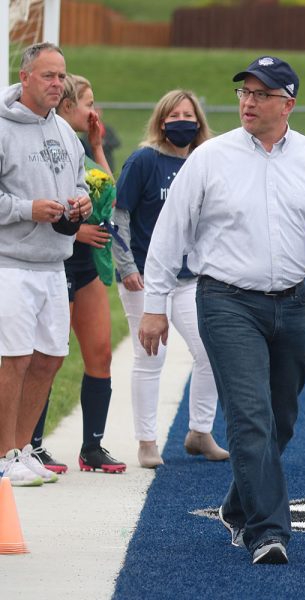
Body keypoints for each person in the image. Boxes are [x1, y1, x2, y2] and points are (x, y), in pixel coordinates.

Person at [138, 55, 305, 565]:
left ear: (288, 104)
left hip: (292, 303)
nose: (248, 101)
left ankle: (237, 505)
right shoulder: (210, 157)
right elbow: (169, 231)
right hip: (225, 300)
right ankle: (268, 531)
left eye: (261, 94)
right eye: (244, 92)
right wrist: (154, 305)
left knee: (281, 417)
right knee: (251, 416)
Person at [112, 89, 229, 468]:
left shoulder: (204, 161)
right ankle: (147, 441)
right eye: (175, 114)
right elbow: (120, 216)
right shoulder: (144, 160)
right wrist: (126, 266)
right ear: (162, 120)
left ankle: (200, 431)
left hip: (191, 277)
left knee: (211, 349)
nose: (183, 120)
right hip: (146, 277)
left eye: (189, 114)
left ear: (199, 122)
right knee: (152, 356)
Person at [0, 42, 93, 487]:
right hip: (10, 263)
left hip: (54, 263)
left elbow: (79, 183)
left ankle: (20, 449)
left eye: (62, 76)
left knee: (50, 358)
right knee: (13, 359)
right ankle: (2, 455)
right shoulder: (1, 126)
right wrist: (24, 208)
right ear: (25, 78)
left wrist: (82, 202)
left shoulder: (65, 133)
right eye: (48, 75)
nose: (58, 84)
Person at [27, 73, 126, 474]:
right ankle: (31, 445)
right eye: (88, 103)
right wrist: (77, 228)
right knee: (46, 358)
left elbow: (108, 195)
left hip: (86, 269)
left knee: (100, 354)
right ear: (67, 106)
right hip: (54, 263)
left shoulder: (82, 147)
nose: (93, 111)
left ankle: (92, 448)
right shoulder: (45, 146)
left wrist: (99, 147)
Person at [80, 106, 121, 174]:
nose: (96, 113)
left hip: (108, 162)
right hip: (93, 163)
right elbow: (84, 144)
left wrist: (104, 143)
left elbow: (117, 143)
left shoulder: (108, 129)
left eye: (98, 111)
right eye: (94, 111)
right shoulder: (87, 129)